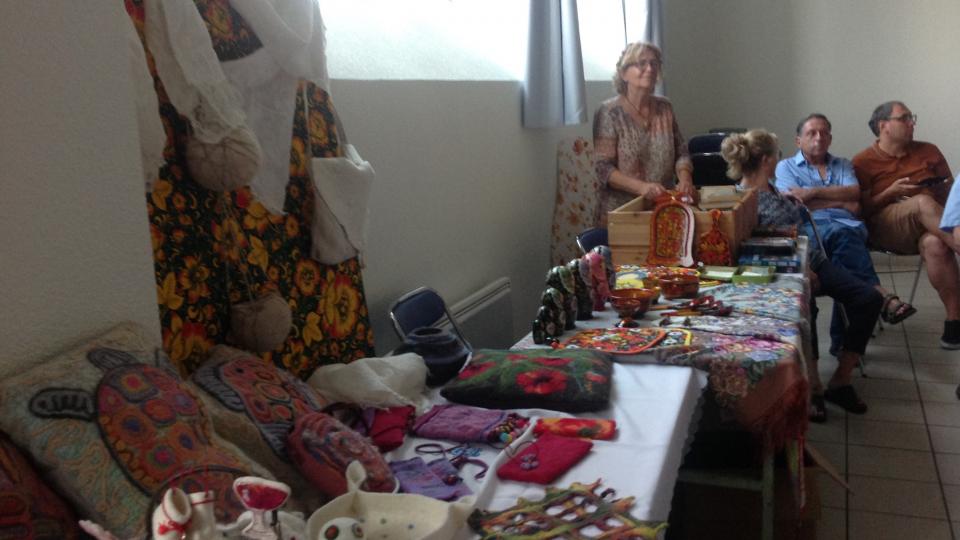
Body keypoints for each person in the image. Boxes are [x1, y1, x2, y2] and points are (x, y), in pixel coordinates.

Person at [722, 129, 883, 420]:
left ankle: (841, 380)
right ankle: (814, 385)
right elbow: (751, 250)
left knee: (869, 299)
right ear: (767, 160)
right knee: (805, 306)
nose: (778, 159)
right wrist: (801, 268)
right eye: (777, 154)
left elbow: (799, 235)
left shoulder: (776, 192)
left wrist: (806, 263)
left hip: (811, 261)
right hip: (778, 272)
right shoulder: (739, 202)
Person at [776, 113, 915, 355]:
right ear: (798, 140)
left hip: (847, 229)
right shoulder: (785, 167)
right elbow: (794, 204)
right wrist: (840, 201)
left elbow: (854, 196)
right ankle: (879, 299)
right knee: (845, 242)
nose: (819, 137)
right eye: (812, 133)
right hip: (813, 230)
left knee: (844, 249)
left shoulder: (843, 164)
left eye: (824, 133)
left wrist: (813, 194)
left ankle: (845, 339)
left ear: (830, 138)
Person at [852, 101, 960, 349]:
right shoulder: (863, 161)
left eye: (912, 118)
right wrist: (890, 193)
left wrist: (942, 189)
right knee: (922, 203)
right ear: (883, 126)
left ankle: (954, 323)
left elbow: (952, 193)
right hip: (887, 227)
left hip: (930, 224)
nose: (912, 123)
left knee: (935, 244)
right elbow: (861, 211)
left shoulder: (929, 150)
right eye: (904, 118)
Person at [592, 41, 694, 223]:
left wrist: (685, 178)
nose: (650, 68)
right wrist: (641, 187)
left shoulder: (665, 108)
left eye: (654, 63)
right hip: (621, 214)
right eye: (641, 63)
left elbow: (682, 152)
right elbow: (603, 168)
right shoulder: (609, 112)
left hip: (663, 209)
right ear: (624, 73)